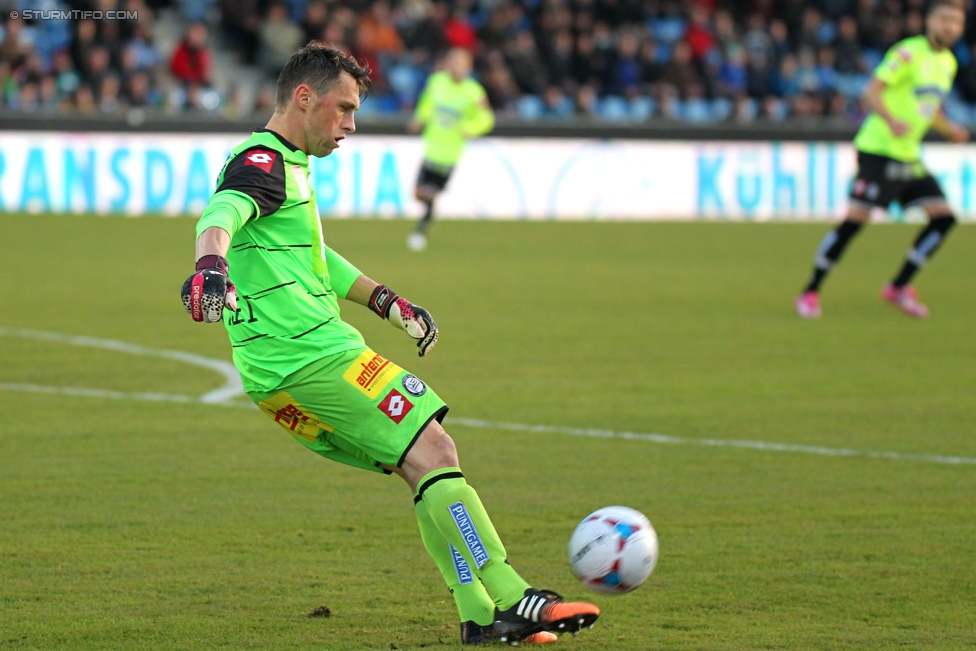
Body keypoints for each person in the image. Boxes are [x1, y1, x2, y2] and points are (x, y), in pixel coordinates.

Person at [179, 43, 598, 647]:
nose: (351, 124)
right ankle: (513, 595)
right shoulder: (264, 162)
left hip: (285, 370)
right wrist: (210, 267)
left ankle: (480, 616)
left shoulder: (288, 166)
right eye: (343, 108)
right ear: (305, 98)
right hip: (308, 358)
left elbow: (316, 260)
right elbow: (218, 214)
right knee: (433, 445)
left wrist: (387, 302)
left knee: (418, 465)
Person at [795, 0, 969, 319]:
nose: (950, 27)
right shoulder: (908, 52)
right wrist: (890, 120)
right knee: (854, 223)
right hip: (877, 149)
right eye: (944, 19)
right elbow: (871, 91)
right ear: (929, 21)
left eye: (956, 22)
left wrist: (949, 129)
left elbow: (927, 108)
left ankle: (899, 287)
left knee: (944, 218)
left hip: (908, 155)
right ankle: (810, 291)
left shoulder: (948, 63)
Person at [407, 48, 495, 251]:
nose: (457, 68)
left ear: (468, 67)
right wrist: (420, 119)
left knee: (429, 192)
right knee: (419, 193)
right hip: (432, 148)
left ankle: (420, 231)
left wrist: (470, 129)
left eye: (461, 64)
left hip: (450, 154)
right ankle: (424, 225)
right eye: (453, 62)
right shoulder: (437, 82)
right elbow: (427, 104)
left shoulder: (474, 92)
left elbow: (487, 118)